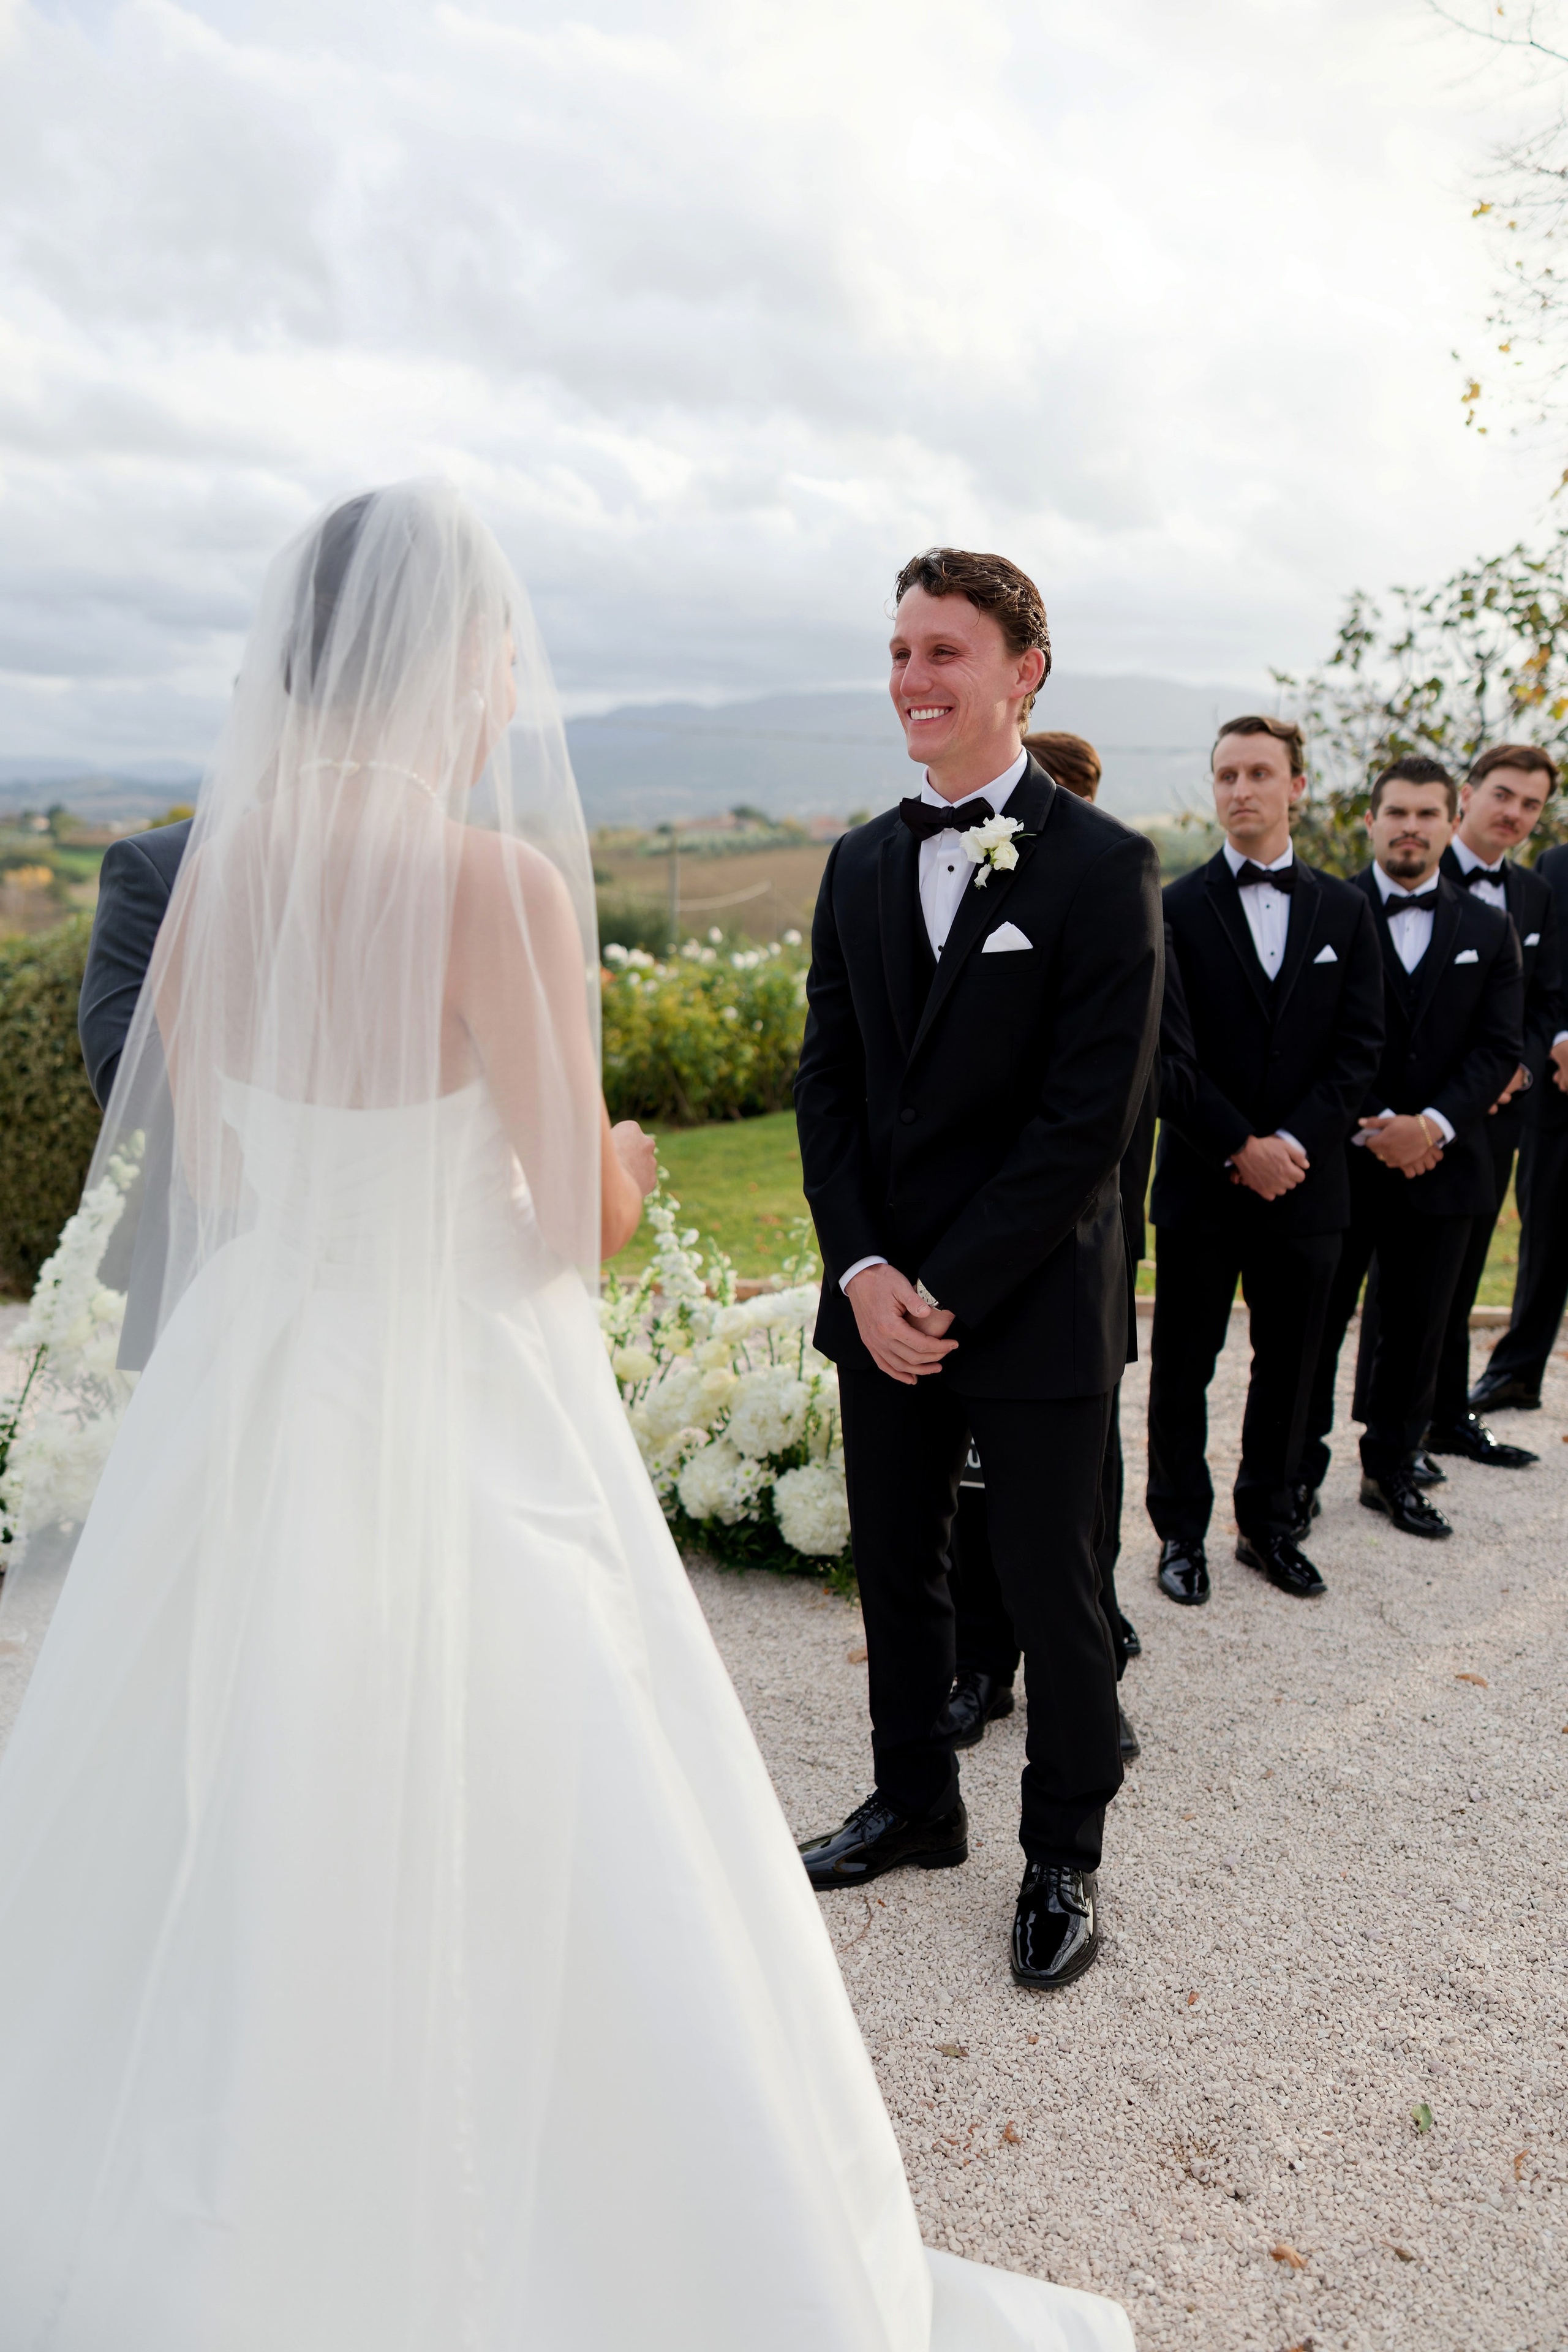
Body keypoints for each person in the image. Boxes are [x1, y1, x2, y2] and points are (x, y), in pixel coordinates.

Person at [0, 488, 1132, 2350]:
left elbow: (210, 1155)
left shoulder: (212, 881)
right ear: (454, 657)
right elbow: (558, 1221)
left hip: (263, 1379)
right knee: (517, 1773)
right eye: (502, 650)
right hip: (451, 1387)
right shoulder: (489, 884)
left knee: (244, 1760)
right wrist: (613, 1155)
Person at [793, 548, 1161, 1994]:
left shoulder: (1100, 864)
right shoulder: (858, 859)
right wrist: (866, 1268)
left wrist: (946, 1282)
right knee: (894, 1563)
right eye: (896, 651)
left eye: (942, 651)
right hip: (882, 1300)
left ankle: (1060, 1846)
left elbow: (1092, 1115)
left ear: (1022, 673)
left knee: (1048, 1581)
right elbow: (825, 1084)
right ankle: (912, 1803)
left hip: (1029, 1299)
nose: (909, 678)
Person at [943, 733, 1194, 1770]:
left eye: (1085, 795)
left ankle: (1084, 1667)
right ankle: (981, 1665)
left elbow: (1162, 1064)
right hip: (970, 1233)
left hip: (1091, 1237)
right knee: (972, 1475)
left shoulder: (1119, 894)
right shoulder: (958, 897)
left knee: (1083, 1474)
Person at [1147, 716, 1384, 1604]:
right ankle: (1180, 1533)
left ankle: (1269, 1524)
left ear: (1298, 787)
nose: (1240, 790)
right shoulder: (1170, 906)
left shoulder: (1345, 910)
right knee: (1183, 1365)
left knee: (1294, 1364)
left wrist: (1291, 1147)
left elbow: (1360, 1049)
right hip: (1204, 1184)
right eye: (1226, 775)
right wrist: (1239, 1147)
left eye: (1258, 773)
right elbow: (1168, 1057)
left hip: (1310, 1185)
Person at [1299, 756, 1523, 1539]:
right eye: (1396, 813)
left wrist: (1428, 1127)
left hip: (1444, 1160)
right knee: (1317, 1329)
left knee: (1420, 1328)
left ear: (1449, 818)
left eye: (1427, 814)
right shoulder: (1328, 910)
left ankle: (1391, 1470)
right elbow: (1310, 1041)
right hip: (1340, 1161)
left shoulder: (1488, 928)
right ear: (1371, 820)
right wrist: (1374, 1124)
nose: (1411, 828)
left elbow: (1497, 1049)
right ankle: (1296, 1473)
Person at [1370, 743, 1566, 1469]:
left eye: (1532, 804)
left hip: (1495, 1119)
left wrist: (1517, 1065)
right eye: (1503, 796)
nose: (1514, 814)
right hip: (1411, 1121)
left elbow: (1541, 1001)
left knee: (1456, 1277)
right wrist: (1437, 1112)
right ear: (1468, 799)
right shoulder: (1412, 864)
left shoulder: (1534, 893)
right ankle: (1394, 1431)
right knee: (1400, 1290)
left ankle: (1446, 1418)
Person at [1464, 756, 1568, 1418]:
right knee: (1549, 1234)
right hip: (1564, 1088)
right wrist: (1560, 1043)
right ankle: (1516, 1372)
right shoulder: (1557, 868)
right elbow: (1547, 979)